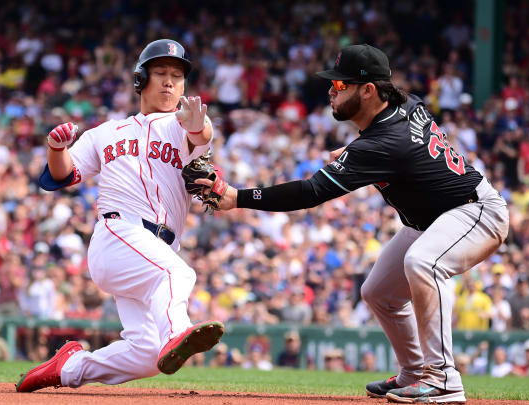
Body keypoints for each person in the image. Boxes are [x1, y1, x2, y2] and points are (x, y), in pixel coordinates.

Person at [197, 44, 509, 404]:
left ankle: (443, 380)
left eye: (341, 85)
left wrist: (238, 198)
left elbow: (312, 192)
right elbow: (391, 135)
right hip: (435, 219)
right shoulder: (404, 105)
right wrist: (355, 152)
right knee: (378, 292)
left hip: (477, 212)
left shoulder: (382, 144)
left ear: (369, 90)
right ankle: (415, 371)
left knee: (423, 262)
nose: (331, 89)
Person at [16, 39, 224, 393]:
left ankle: (69, 368)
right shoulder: (107, 132)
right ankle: (177, 331)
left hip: (153, 251)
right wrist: (55, 149)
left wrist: (197, 128)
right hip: (118, 233)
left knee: (146, 354)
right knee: (177, 274)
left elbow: (201, 135)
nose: (170, 82)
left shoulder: (185, 125)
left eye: (177, 75)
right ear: (141, 79)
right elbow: (58, 177)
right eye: (160, 73)